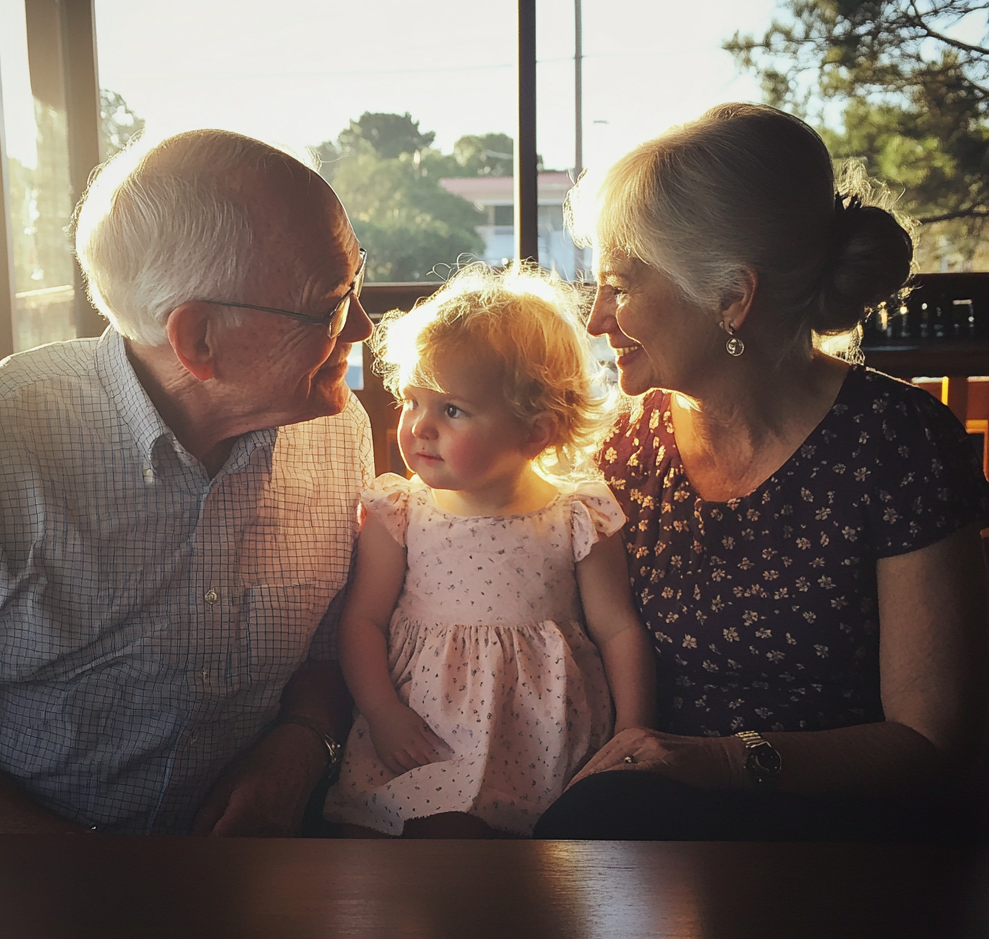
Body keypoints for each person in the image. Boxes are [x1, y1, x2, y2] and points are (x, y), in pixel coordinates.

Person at [534, 102, 989, 841]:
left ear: (732, 298)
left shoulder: (897, 440)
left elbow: (933, 741)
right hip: (652, 827)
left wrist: (721, 763)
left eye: (620, 287)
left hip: (848, 840)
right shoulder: (623, 445)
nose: (597, 320)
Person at [0, 129, 374, 835]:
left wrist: (305, 744)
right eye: (331, 306)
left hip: (263, 878)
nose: (363, 327)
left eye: (355, 286)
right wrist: (95, 888)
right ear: (199, 340)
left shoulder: (339, 431)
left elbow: (333, 652)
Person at [323, 263, 654, 837]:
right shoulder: (399, 509)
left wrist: (633, 735)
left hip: (540, 738)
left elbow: (618, 628)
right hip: (421, 732)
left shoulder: (580, 515)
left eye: (451, 410)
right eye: (412, 401)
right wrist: (381, 713)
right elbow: (363, 620)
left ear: (535, 433)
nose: (419, 427)